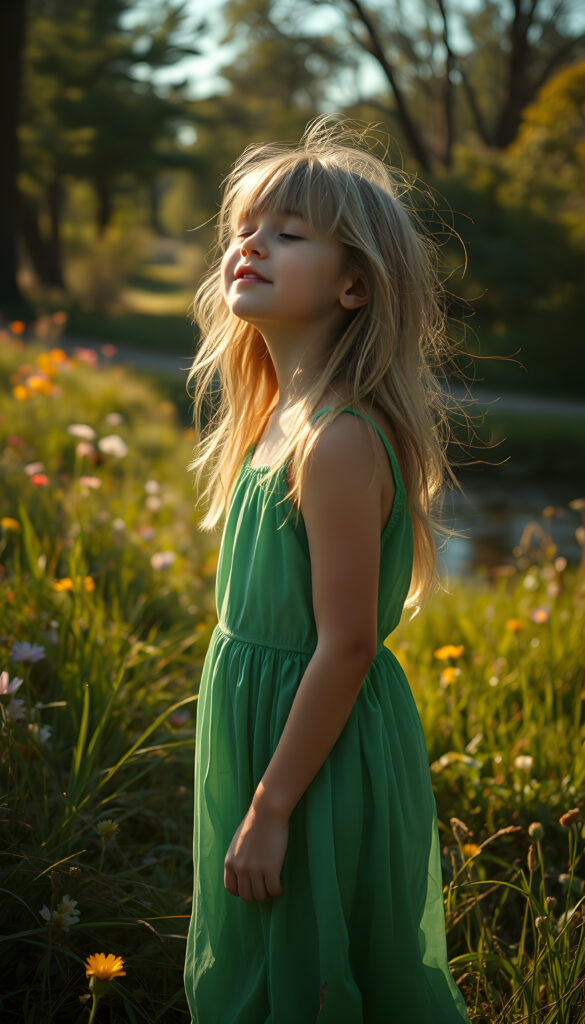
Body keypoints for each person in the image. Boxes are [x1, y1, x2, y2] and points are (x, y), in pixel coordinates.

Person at [183, 116, 471, 1023]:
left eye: (289, 232)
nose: (251, 244)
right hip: (265, 724)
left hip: (313, 752)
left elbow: (346, 646)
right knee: (268, 961)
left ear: (354, 285)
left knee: (315, 972)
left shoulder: (338, 440)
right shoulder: (278, 415)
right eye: (244, 228)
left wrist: (271, 810)